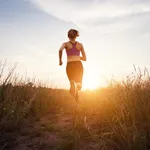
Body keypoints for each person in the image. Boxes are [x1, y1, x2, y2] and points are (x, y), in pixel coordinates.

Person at [59, 29, 87, 98]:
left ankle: (75, 102)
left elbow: (60, 50)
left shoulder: (65, 44)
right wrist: (77, 57)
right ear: (76, 35)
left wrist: (60, 60)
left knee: (73, 84)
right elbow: (85, 58)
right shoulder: (80, 45)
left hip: (70, 65)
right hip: (78, 65)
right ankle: (77, 102)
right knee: (78, 86)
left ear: (68, 36)